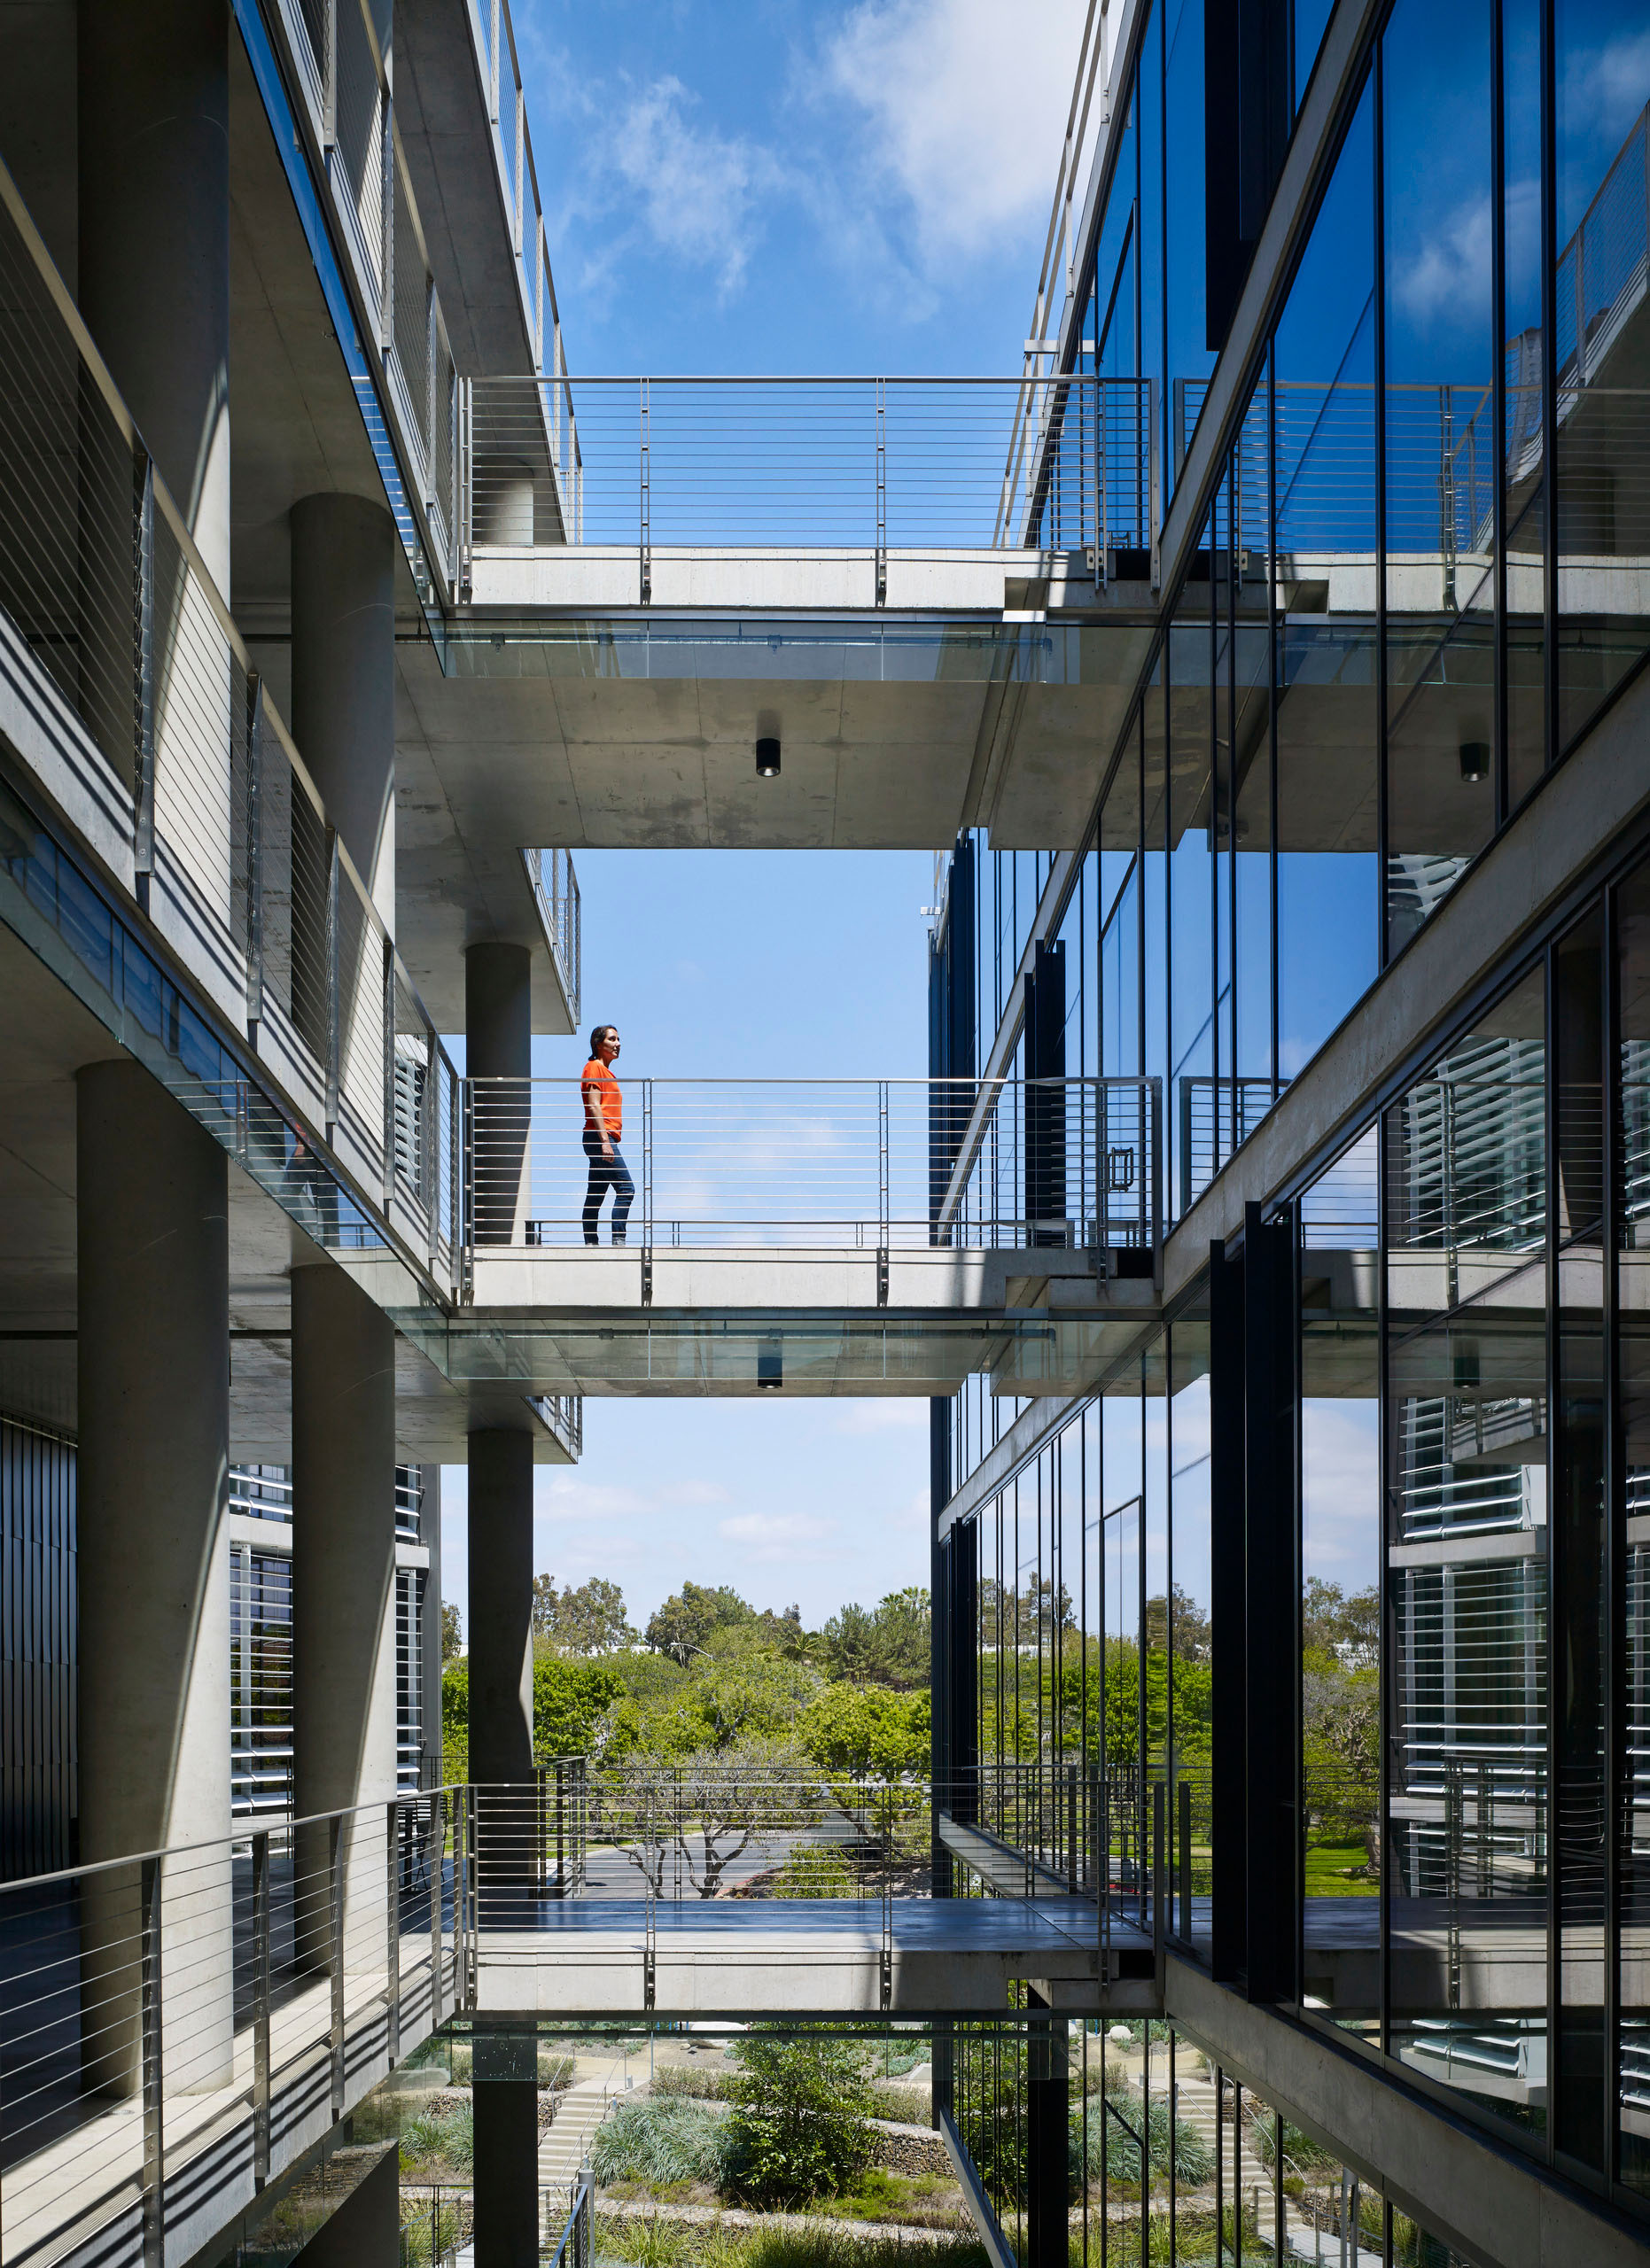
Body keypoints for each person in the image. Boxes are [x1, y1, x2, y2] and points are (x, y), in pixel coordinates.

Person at [580, 1023, 634, 1245]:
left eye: (618, 1039)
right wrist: (605, 1142)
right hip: (600, 1137)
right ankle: (618, 1240)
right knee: (626, 1188)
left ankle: (591, 1242)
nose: (618, 1044)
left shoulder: (607, 1073)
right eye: (612, 1039)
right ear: (598, 1043)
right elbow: (594, 1106)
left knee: (596, 1193)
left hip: (600, 1138)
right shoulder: (593, 1067)